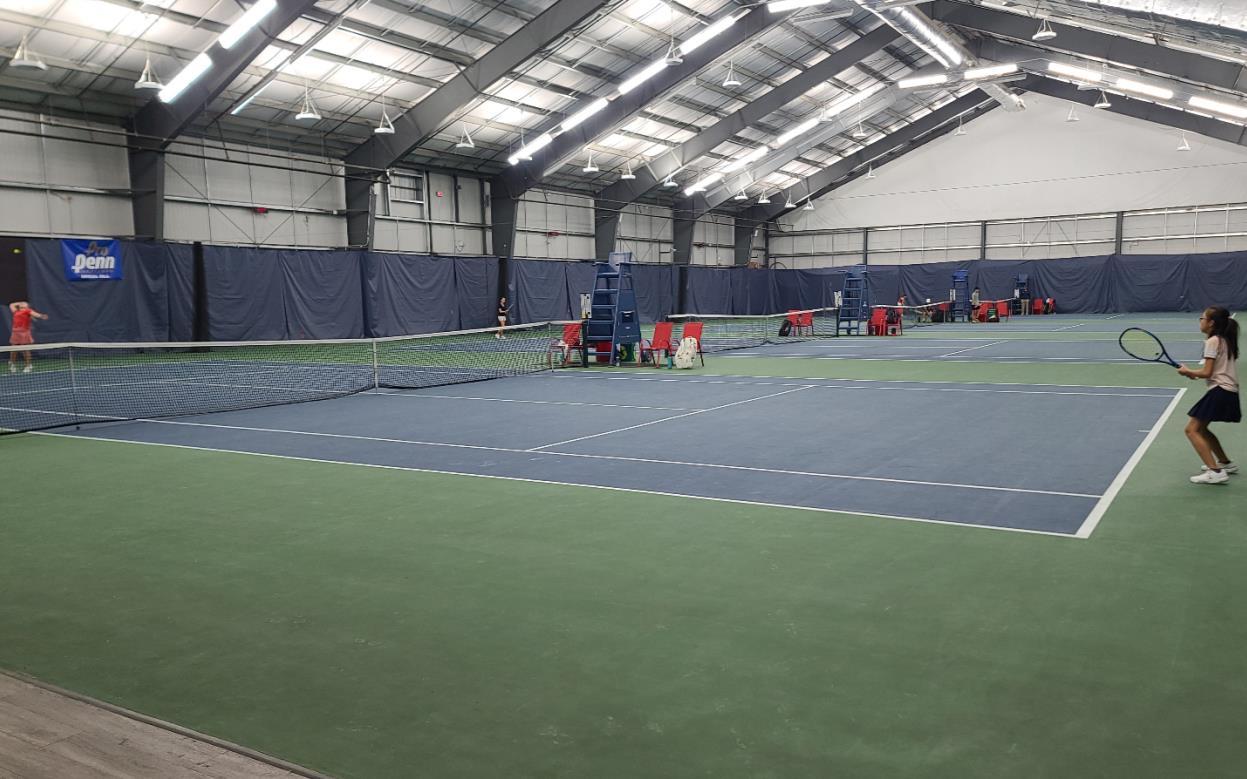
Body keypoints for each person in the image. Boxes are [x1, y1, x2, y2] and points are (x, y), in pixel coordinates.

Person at [1178, 306, 1239, 484]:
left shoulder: (1212, 341)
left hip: (1221, 390)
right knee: (1202, 429)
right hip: (1228, 391)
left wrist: (1188, 371)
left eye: (1202, 318)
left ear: (1211, 323)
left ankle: (1216, 472)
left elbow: (1207, 372)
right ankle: (1225, 463)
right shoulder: (1225, 340)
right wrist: (1193, 373)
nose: (1200, 321)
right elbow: (1213, 371)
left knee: (1191, 430)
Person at [8, 301, 49, 374]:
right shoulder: (15, 311)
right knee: (13, 350)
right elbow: (11, 305)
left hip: (24, 333)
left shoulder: (28, 311)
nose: (22, 303)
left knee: (26, 350)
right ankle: (12, 365)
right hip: (15, 332)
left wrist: (42, 316)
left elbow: (36, 314)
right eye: (21, 303)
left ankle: (28, 365)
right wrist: (20, 303)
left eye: (24, 303)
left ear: (27, 306)